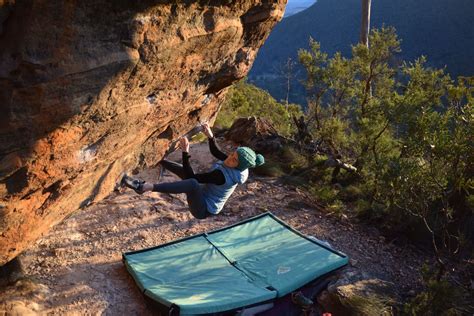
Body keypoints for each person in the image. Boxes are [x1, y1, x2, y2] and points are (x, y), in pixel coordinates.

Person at [120, 123, 265, 219]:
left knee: (192, 183)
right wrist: (210, 135)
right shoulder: (237, 163)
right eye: (232, 155)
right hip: (204, 194)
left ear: (239, 166)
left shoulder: (220, 176)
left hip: (203, 209)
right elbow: (217, 153)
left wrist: (185, 152)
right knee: (190, 178)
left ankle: (145, 187)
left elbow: (191, 177)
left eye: (234, 160)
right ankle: (160, 161)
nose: (229, 159)